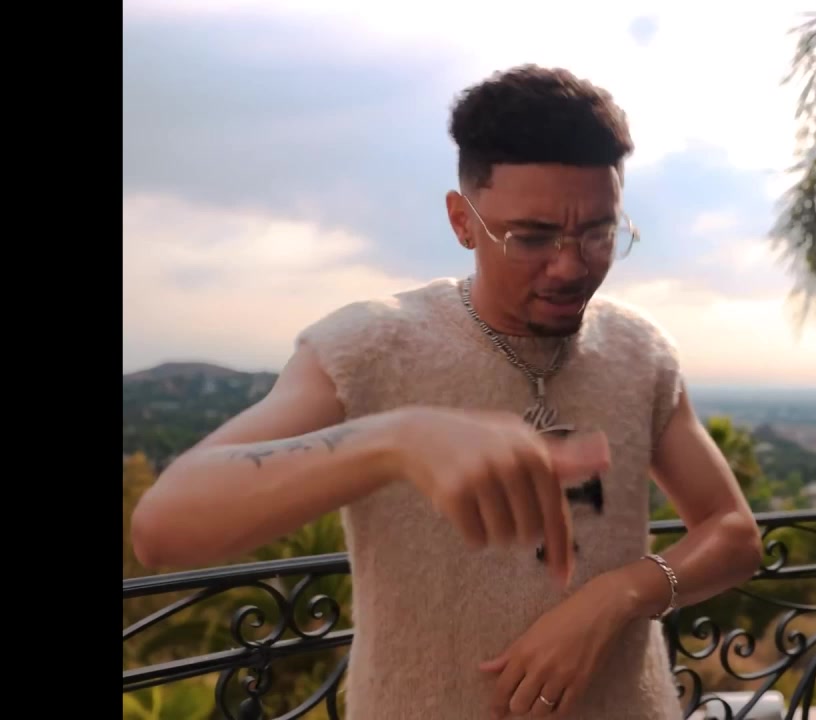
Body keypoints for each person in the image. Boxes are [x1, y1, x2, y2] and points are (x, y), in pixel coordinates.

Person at [130, 64, 763, 720]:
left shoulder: (639, 351)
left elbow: (733, 532)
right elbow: (163, 527)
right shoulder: (373, 346)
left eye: (598, 233)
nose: (571, 265)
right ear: (463, 221)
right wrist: (396, 440)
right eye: (532, 237)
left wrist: (619, 596)